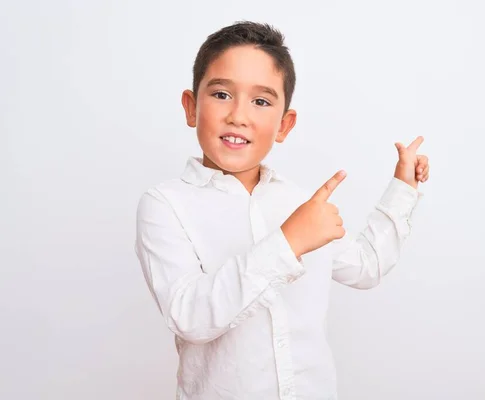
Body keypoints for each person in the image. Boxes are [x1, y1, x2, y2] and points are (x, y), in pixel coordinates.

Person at [135, 20, 430, 400]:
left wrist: (403, 187)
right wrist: (288, 243)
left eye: (261, 101)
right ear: (191, 107)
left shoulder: (300, 204)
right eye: (222, 94)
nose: (239, 115)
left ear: (284, 125)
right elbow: (189, 316)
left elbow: (365, 267)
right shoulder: (165, 205)